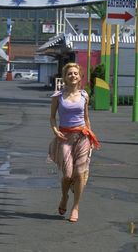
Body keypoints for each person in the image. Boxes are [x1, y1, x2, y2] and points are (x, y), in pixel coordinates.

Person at [49, 62, 100, 222]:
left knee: (79, 173)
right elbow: (52, 117)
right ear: (65, 77)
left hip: (82, 136)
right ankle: (64, 197)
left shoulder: (84, 95)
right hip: (64, 137)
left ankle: (75, 207)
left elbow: (86, 117)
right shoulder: (58, 96)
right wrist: (55, 130)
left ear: (80, 77)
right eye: (69, 73)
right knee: (68, 174)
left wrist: (91, 137)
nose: (73, 76)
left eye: (75, 73)